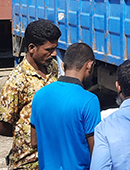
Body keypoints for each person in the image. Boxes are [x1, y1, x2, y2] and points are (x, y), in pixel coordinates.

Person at [0, 19, 60, 170]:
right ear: (32, 48)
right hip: (27, 163)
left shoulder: (52, 67)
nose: (54, 53)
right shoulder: (17, 81)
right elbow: (1, 127)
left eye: (55, 48)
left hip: (51, 157)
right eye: (49, 49)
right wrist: (27, 135)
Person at [30, 42, 101, 170]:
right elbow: (95, 151)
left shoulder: (40, 95)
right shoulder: (89, 100)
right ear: (89, 65)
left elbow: (34, 141)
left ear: (63, 65)